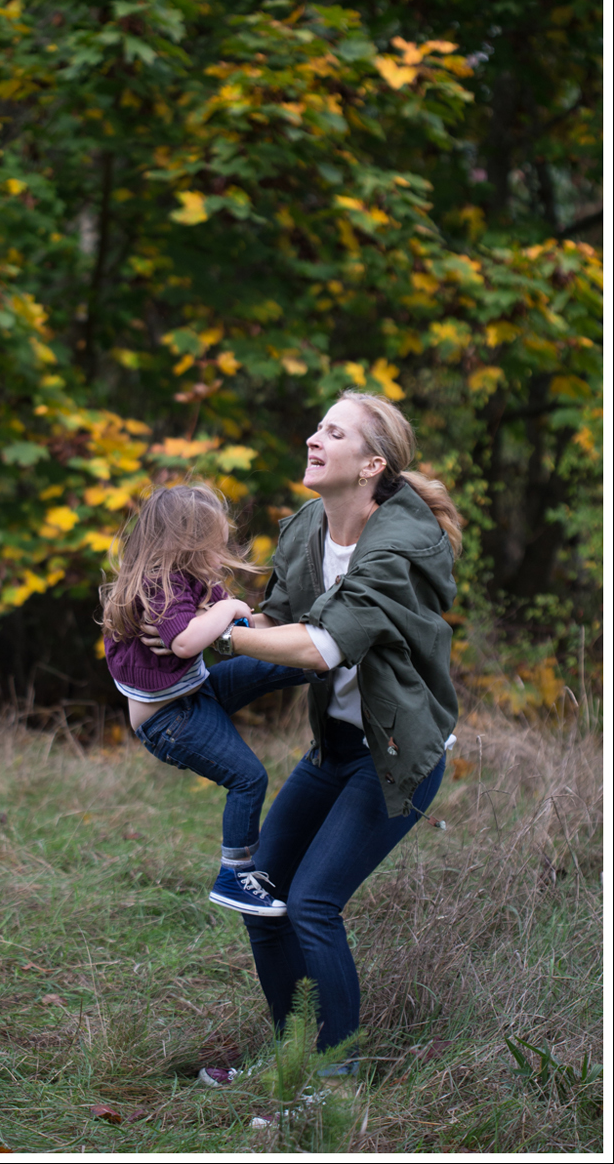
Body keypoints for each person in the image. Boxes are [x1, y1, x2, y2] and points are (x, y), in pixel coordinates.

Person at [141, 391, 461, 1083]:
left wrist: (218, 634)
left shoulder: (401, 546)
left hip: (394, 757)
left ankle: (335, 1079)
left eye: (334, 433)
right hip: (333, 750)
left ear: (372, 464)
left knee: (313, 903)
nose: (314, 438)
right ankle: (291, 1059)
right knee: (261, 896)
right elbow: (277, 623)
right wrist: (170, 671)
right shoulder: (308, 527)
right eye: (317, 426)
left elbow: (320, 647)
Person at [101, 483, 309, 917]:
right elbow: (185, 642)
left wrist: (229, 613)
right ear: (186, 546)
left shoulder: (194, 581)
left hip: (197, 692)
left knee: (286, 663)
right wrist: (225, 610)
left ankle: (355, 678)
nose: (223, 554)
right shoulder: (159, 585)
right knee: (248, 778)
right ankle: (234, 876)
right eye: (216, 545)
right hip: (169, 722)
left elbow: (237, 628)